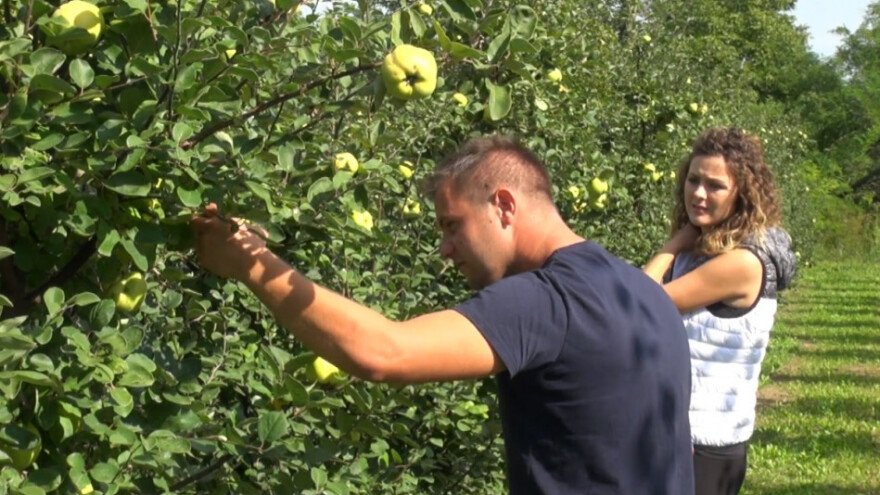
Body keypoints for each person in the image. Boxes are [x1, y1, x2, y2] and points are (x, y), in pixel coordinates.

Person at [191, 135, 695, 494]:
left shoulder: (546, 300)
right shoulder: (641, 289)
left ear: (503, 206)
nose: (445, 249)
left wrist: (252, 265)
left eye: (452, 226)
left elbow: (385, 353)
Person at [643, 127, 796, 495]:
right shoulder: (706, 249)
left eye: (714, 185)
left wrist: (674, 243)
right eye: (693, 180)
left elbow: (639, 302)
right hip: (680, 432)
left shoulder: (741, 262)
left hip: (706, 445)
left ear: (742, 193)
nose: (698, 193)